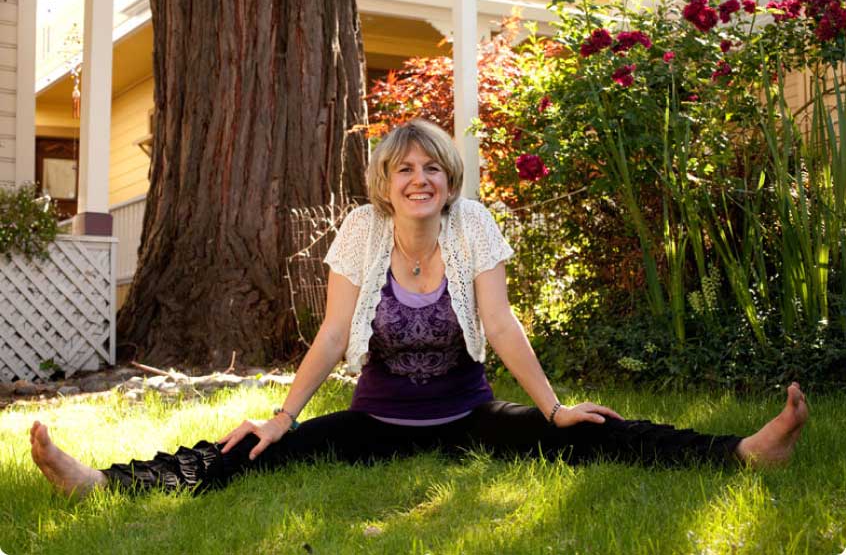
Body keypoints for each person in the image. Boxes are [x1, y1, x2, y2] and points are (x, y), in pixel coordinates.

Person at [30, 119, 808, 499]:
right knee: (257, 448)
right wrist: (284, 415)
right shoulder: (360, 231)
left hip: (469, 415)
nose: (419, 178)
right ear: (385, 181)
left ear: (449, 177)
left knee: (593, 430)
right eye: (404, 167)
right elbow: (333, 334)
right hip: (373, 420)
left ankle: (742, 452)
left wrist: (552, 406)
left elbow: (500, 324)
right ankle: (105, 483)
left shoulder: (474, 225)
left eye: (431, 166)